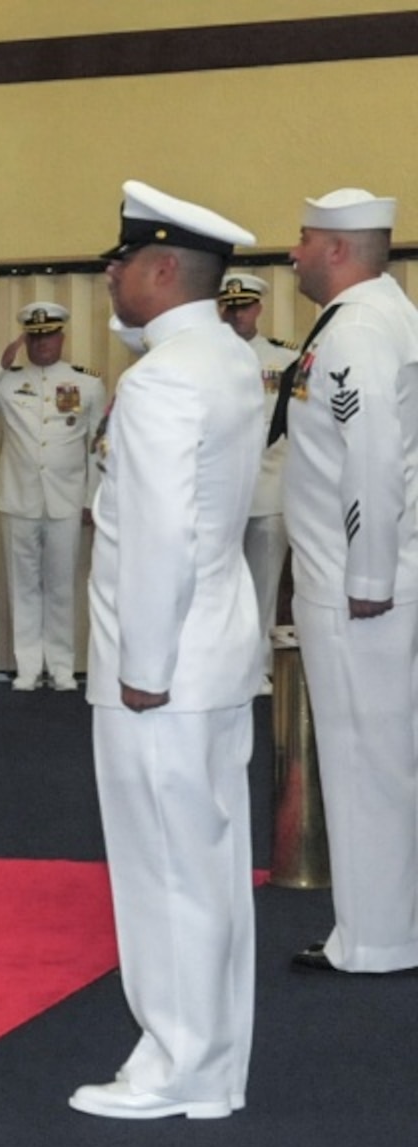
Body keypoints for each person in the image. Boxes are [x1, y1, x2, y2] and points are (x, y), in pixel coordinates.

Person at [70, 181, 264, 1121]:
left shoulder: (159, 380)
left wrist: (141, 669)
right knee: (212, 860)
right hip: (217, 650)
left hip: (164, 668)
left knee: (165, 868)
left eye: (119, 261)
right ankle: (213, 1064)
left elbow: (154, 539)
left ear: (157, 270)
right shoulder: (228, 357)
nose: (108, 275)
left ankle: (174, 1065)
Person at [279, 188, 418, 976]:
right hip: (377, 570)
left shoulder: (359, 330)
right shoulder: (383, 316)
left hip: (359, 580)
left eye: (303, 239)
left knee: (364, 756)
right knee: (387, 751)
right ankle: (390, 922)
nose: (294, 253)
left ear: (337, 248)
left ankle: (376, 940)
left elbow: (370, 455)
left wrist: (366, 574)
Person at [0, 302, 109, 692]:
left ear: (62, 337)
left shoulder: (87, 383)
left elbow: (99, 445)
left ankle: (62, 667)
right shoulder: (7, 380)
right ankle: (27, 666)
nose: (42, 343)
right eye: (34, 336)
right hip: (18, 497)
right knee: (23, 584)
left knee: (62, 584)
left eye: (49, 335)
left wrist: (91, 498)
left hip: (67, 499)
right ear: (25, 338)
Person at [218, 272, 300, 690]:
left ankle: (259, 667)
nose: (236, 314)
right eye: (229, 307)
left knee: (264, 588)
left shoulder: (285, 360)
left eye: (244, 306)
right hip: (218, 496)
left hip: (268, 489)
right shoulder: (206, 357)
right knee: (218, 588)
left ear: (258, 308)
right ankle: (223, 668)